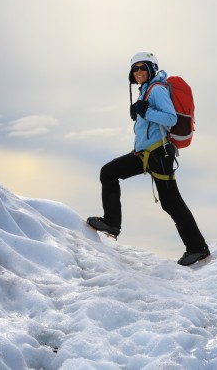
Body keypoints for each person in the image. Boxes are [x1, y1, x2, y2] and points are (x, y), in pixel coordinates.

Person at [87, 51, 210, 266]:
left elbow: (170, 118)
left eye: (143, 67)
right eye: (135, 69)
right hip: (146, 154)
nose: (138, 72)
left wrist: (146, 111)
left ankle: (198, 249)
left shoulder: (157, 90)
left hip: (159, 154)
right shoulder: (146, 91)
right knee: (109, 172)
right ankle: (112, 223)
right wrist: (142, 111)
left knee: (171, 203)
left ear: (152, 68)